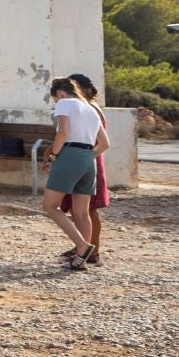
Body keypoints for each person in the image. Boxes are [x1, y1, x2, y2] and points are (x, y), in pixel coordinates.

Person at [41, 75, 108, 270]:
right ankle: (81, 259)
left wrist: (53, 155)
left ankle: (82, 246)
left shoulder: (65, 103)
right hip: (89, 159)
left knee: (50, 206)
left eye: (55, 98)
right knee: (82, 212)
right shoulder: (91, 109)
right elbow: (104, 144)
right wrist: (86, 156)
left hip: (69, 154)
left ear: (60, 93)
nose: (56, 102)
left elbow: (62, 132)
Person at [58, 72, 111, 266]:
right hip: (88, 159)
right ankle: (82, 245)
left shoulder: (89, 108)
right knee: (79, 207)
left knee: (89, 209)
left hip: (88, 159)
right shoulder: (87, 107)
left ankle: (93, 249)